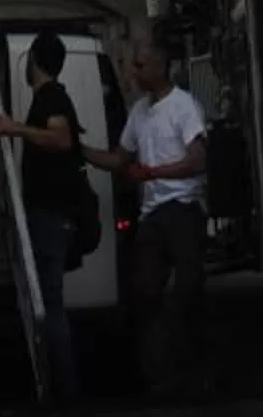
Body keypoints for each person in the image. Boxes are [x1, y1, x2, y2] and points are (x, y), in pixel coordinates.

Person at [86, 32, 210, 404]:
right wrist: (78, 150)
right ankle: (162, 378)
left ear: (160, 66)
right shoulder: (139, 113)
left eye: (140, 64)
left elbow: (197, 159)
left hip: (183, 209)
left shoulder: (184, 107)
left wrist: (153, 174)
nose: (134, 72)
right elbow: (119, 159)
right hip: (152, 214)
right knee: (144, 295)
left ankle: (195, 373)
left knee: (187, 293)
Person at [0, 28, 86, 405]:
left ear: (34, 59)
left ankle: (63, 393)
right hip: (46, 215)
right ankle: (56, 388)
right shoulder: (48, 98)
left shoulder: (52, 96)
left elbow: (60, 140)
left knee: (50, 303)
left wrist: (12, 128)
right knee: (47, 302)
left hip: (50, 217)